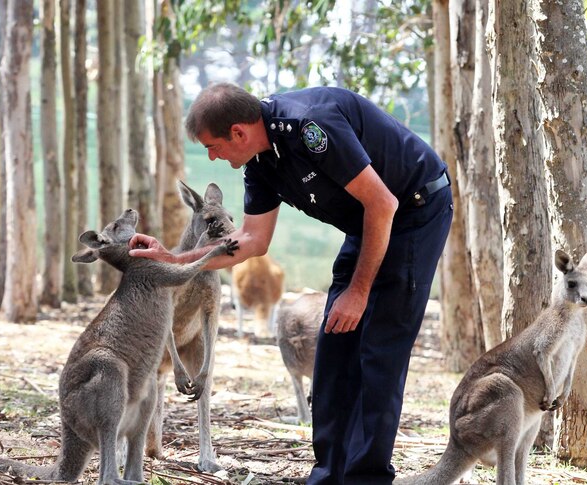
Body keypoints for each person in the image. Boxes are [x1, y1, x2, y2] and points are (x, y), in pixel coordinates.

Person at [129, 83, 452, 485]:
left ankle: (367, 478)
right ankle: (329, 475)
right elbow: (251, 241)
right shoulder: (261, 164)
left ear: (239, 133)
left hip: (413, 211)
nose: (211, 156)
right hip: (367, 222)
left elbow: (384, 203)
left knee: (378, 348)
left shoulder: (309, 127)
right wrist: (175, 259)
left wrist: (359, 291)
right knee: (334, 347)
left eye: (213, 146)